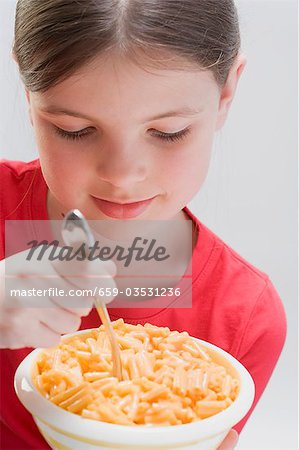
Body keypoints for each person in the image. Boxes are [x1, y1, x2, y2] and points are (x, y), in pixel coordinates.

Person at [0, 0, 287, 449]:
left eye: (168, 131)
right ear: (28, 90)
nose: (122, 174)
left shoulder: (245, 317)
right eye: (74, 129)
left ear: (227, 92)